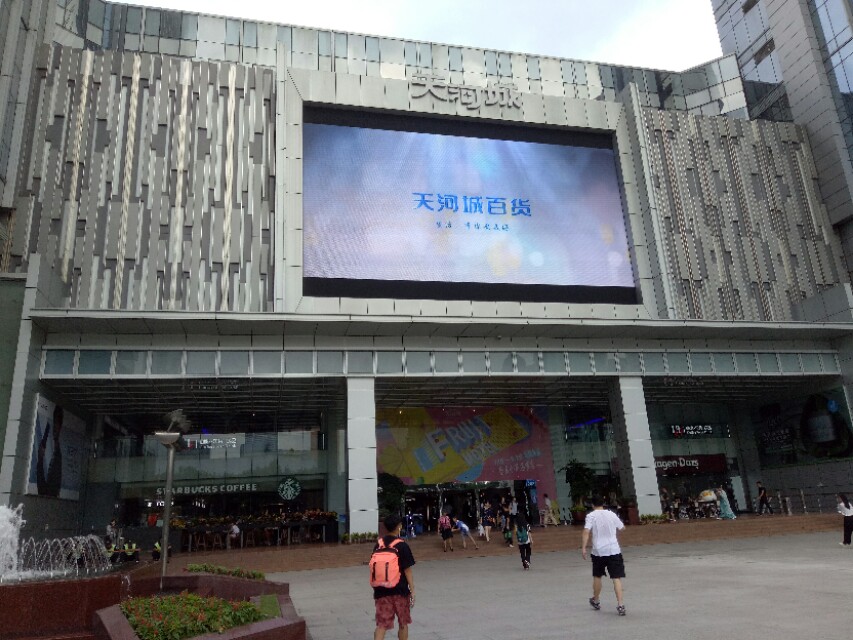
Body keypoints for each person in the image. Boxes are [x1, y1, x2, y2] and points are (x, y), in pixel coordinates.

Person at [581, 495, 627, 616]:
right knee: (616, 577)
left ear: (592, 505)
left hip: (598, 551)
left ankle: (596, 600)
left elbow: (586, 531)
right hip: (614, 550)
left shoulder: (590, 516)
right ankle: (620, 605)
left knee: (597, 575)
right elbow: (622, 528)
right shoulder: (611, 514)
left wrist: (584, 547)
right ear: (604, 503)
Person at [373, 513, 416, 640]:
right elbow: (407, 570)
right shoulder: (402, 545)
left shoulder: (378, 544)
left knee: (381, 625)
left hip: (381, 591)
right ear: (399, 527)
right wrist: (412, 590)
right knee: (403, 623)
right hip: (400, 591)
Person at [36, 405, 64, 497]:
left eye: (57, 423)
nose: (55, 428)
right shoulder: (50, 444)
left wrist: (40, 460)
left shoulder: (58, 450)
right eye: (55, 423)